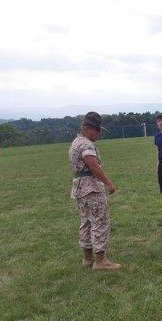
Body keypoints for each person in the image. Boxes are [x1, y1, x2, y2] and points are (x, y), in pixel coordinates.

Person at [69, 111, 120, 270]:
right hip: (90, 188)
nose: (99, 135)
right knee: (100, 221)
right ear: (90, 129)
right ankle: (100, 260)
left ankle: (88, 258)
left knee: (86, 222)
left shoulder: (75, 142)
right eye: (98, 131)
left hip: (79, 188)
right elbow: (93, 166)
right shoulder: (86, 145)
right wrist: (108, 183)